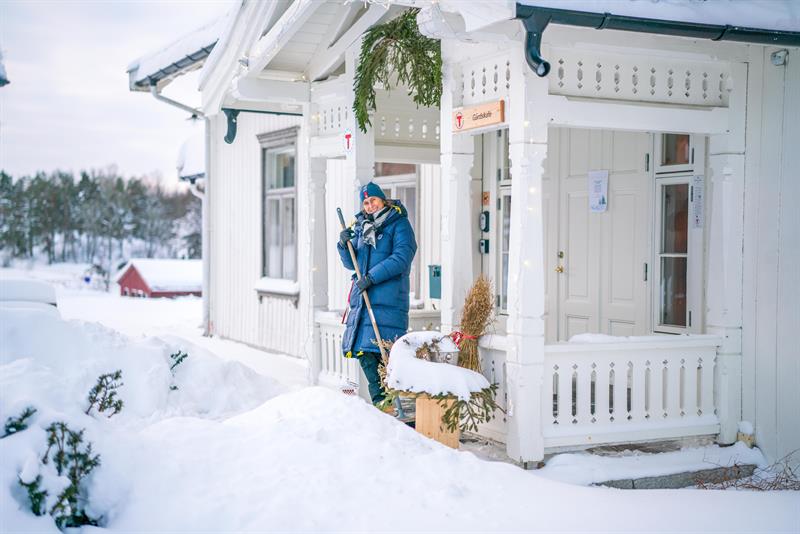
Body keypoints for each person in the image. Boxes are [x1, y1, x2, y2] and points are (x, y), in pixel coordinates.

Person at [337, 181, 417, 408]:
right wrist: (344, 245)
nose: (369, 205)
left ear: (383, 200)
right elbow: (352, 263)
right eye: (365, 202)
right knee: (364, 352)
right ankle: (384, 406)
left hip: (388, 301)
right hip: (365, 303)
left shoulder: (399, 225)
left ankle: (393, 407)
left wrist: (371, 278)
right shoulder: (362, 228)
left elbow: (402, 258)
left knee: (385, 358)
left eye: (373, 200)